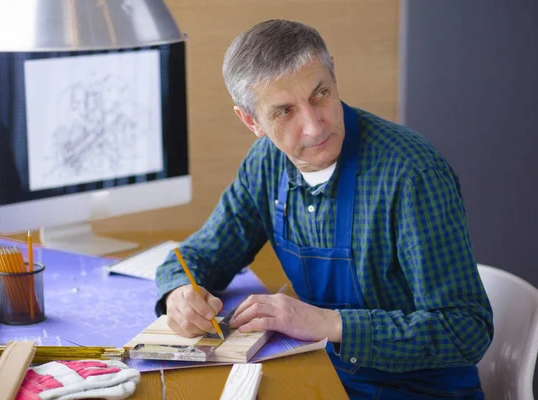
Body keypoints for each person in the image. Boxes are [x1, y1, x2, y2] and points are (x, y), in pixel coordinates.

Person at [155, 19, 493, 399]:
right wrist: (180, 293)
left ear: (333, 73)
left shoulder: (411, 175)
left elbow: (466, 329)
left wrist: (330, 323)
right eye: (284, 112)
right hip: (330, 377)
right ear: (252, 121)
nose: (314, 127)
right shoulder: (265, 165)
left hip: (422, 391)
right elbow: (196, 256)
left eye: (320, 95)